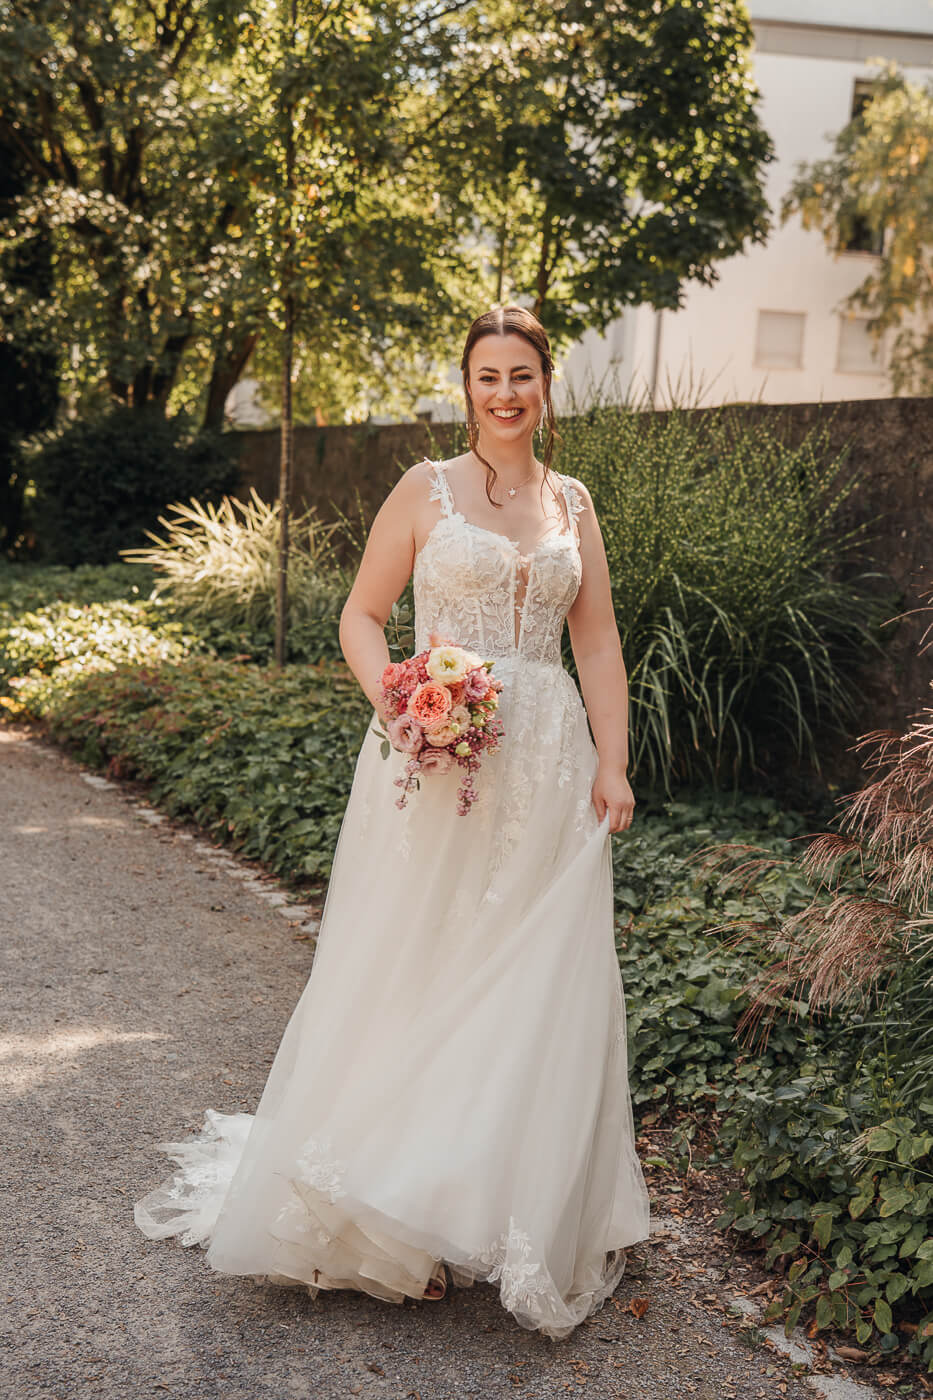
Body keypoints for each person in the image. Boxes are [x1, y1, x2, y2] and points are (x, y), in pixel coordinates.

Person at [134, 304, 651, 1341]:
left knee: (527, 973)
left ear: (546, 385)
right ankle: (387, 1216)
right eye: (487, 376)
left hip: (547, 765)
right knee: (423, 961)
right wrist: (403, 700)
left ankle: (493, 1196)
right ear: (467, 388)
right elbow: (361, 616)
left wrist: (613, 760)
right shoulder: (425, 490)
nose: (505, 393)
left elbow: (596, 642)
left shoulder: (573, 503)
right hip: (438, 759)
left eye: (522, 375)